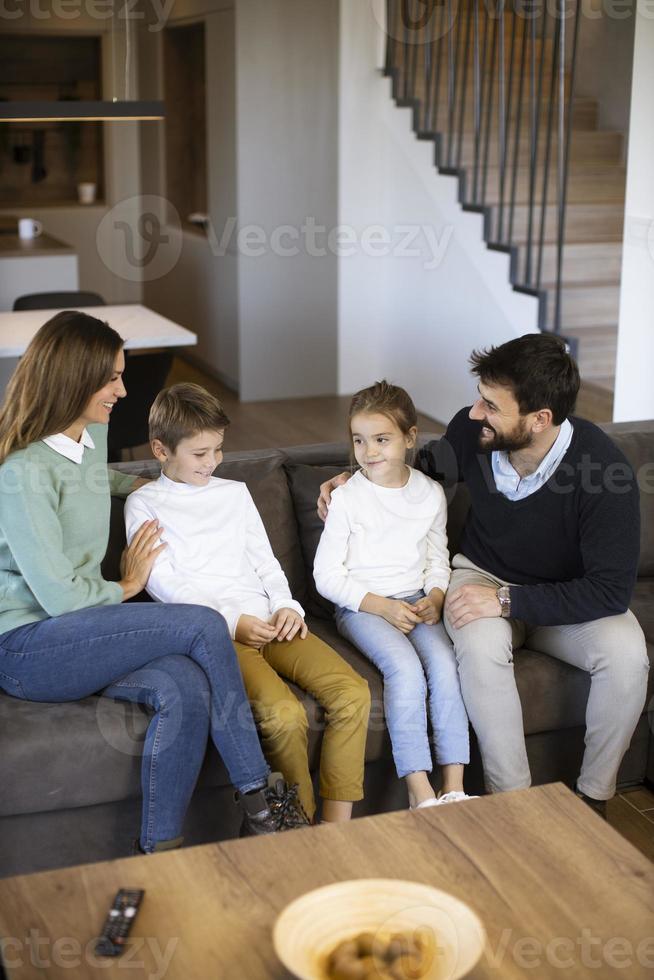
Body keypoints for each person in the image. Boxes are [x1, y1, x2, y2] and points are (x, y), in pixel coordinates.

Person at [0, 311, 300, 855]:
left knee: (184, 687)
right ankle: (261, 801)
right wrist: (128, 582)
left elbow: (94, 478)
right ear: (73, 379)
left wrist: (159, 485)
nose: (123, 389)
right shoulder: (21, 472)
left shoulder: (89, 430)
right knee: (203, 624)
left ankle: (161, 856)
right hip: (30, 646)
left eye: (121, 373)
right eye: (112, 377)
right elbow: (62, 599)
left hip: (86, 632)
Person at [318, 336, 649, 817]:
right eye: (479, 397)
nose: (475, 413)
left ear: (540, 419)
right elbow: (417, 471)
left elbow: (611, 591)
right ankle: (511, 805)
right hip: (483, 576)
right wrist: (350, 478)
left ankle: (593, 799)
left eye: (491, 405)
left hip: (567, 598)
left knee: (628, 658)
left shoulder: (604, 474)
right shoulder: (471, 434)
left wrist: (510, 603)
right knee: (477, 646)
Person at [124, 383, 371, 825]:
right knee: (284, 716)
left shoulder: (234, 493)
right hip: (220, 636)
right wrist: (233, 622)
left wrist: (287, 606)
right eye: (200, 453)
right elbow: (165, 585)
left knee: (353, 693)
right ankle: (299, 828)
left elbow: (266, 561)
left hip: (273, 620)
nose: (213, 462)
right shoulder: (144, 505)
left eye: (218, 449)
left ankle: (336, 827)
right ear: (161, 450)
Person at [314, 380, 473, 810]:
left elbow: (438, 558)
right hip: (362, 606)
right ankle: (419, 788)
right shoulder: (347, 498)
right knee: (405, 670)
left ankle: (454, 784)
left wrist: (437, 596)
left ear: (409, 438)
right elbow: (326, 576)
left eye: (382, 440)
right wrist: (380, 606)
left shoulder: (430, 493)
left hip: (416, 598)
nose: (369, 452)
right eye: (360, 440)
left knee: (445, 663)